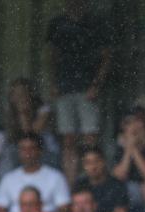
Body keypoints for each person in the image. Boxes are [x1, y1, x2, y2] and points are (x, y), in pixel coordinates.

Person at [46, 0, 112, 183]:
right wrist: (53, 82)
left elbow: (106, 57)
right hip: (65, 87)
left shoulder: (95, 22)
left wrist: (96, 84)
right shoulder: (57, 23)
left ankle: (91, 180)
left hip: (87, 87)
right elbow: (52, 55)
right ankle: (71, 183)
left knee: (90, 137)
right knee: (68, 139)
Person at [75, 146, 128, 212]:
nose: (93, 166)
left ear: (103, 162)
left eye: (96, 161)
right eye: (88, 162)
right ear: (84, 166)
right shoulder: (80, 185)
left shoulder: (117, 185)